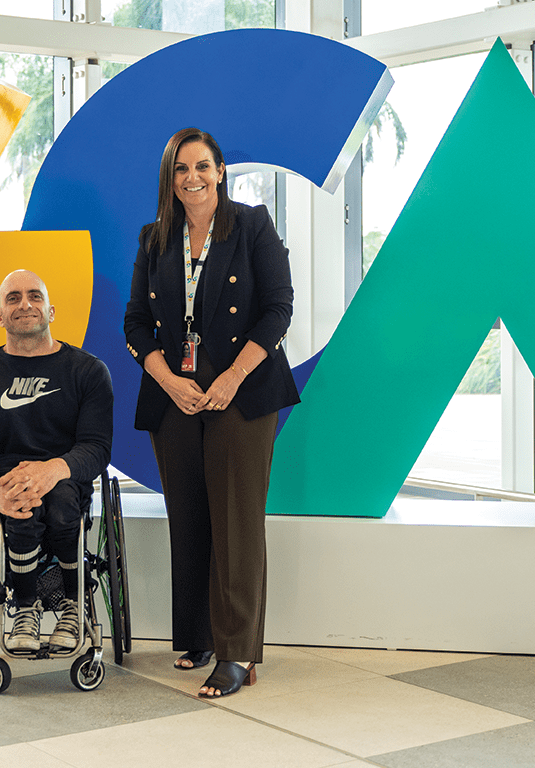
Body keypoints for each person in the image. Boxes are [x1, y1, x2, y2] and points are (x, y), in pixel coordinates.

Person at [123, 127, 298, 698]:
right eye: (180, 170)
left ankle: (238, 654)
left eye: (201, 167)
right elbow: (134, 323)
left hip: (241, 394)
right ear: (168, 180)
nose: (191, 178)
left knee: (236, 523)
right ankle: (196, 635)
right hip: (175, 396)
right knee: (190, 515)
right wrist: (169, 380)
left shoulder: (252, 226)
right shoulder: (155, 238)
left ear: (221, 171)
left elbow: (277, 309)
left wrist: (229, 377)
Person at [0, 269, 113, 653]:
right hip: (6, 481)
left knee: (58, 502)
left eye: (34, 296)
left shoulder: (88, 372)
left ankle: (72, 603)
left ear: (51, 310)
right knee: (20, 505)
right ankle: (24, 606)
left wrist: (52, 470)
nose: (25, 304)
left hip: (66, 476)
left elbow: (96, 446)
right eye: (13, 298)